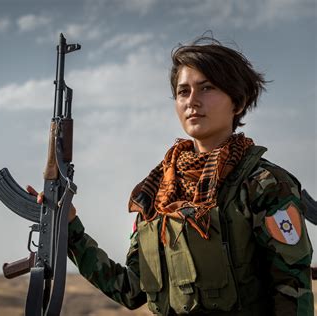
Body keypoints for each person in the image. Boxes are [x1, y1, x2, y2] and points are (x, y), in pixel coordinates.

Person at [28, 36, 314, 315]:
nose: (192, 101)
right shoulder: (158, 191)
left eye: (207, 88)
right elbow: (130, 289)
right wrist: (70, 229)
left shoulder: (264, 184)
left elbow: (291, 291)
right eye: (183, 91)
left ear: (237, 102)